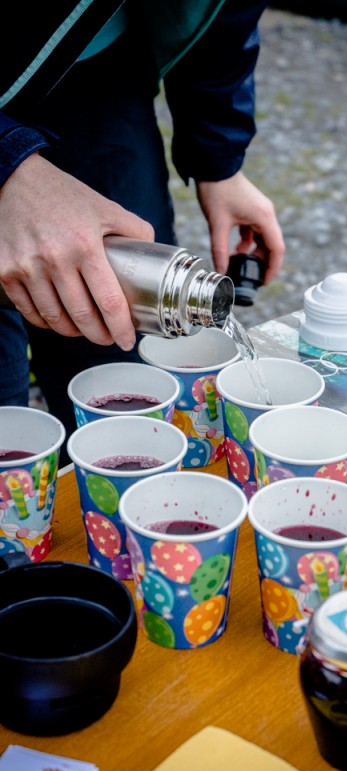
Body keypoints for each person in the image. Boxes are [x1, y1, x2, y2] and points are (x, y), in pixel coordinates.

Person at [0, 0, 285, 448]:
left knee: (116, 344)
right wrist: (7, 165)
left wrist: (219, 158)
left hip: (94, 67)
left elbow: (221, 8)